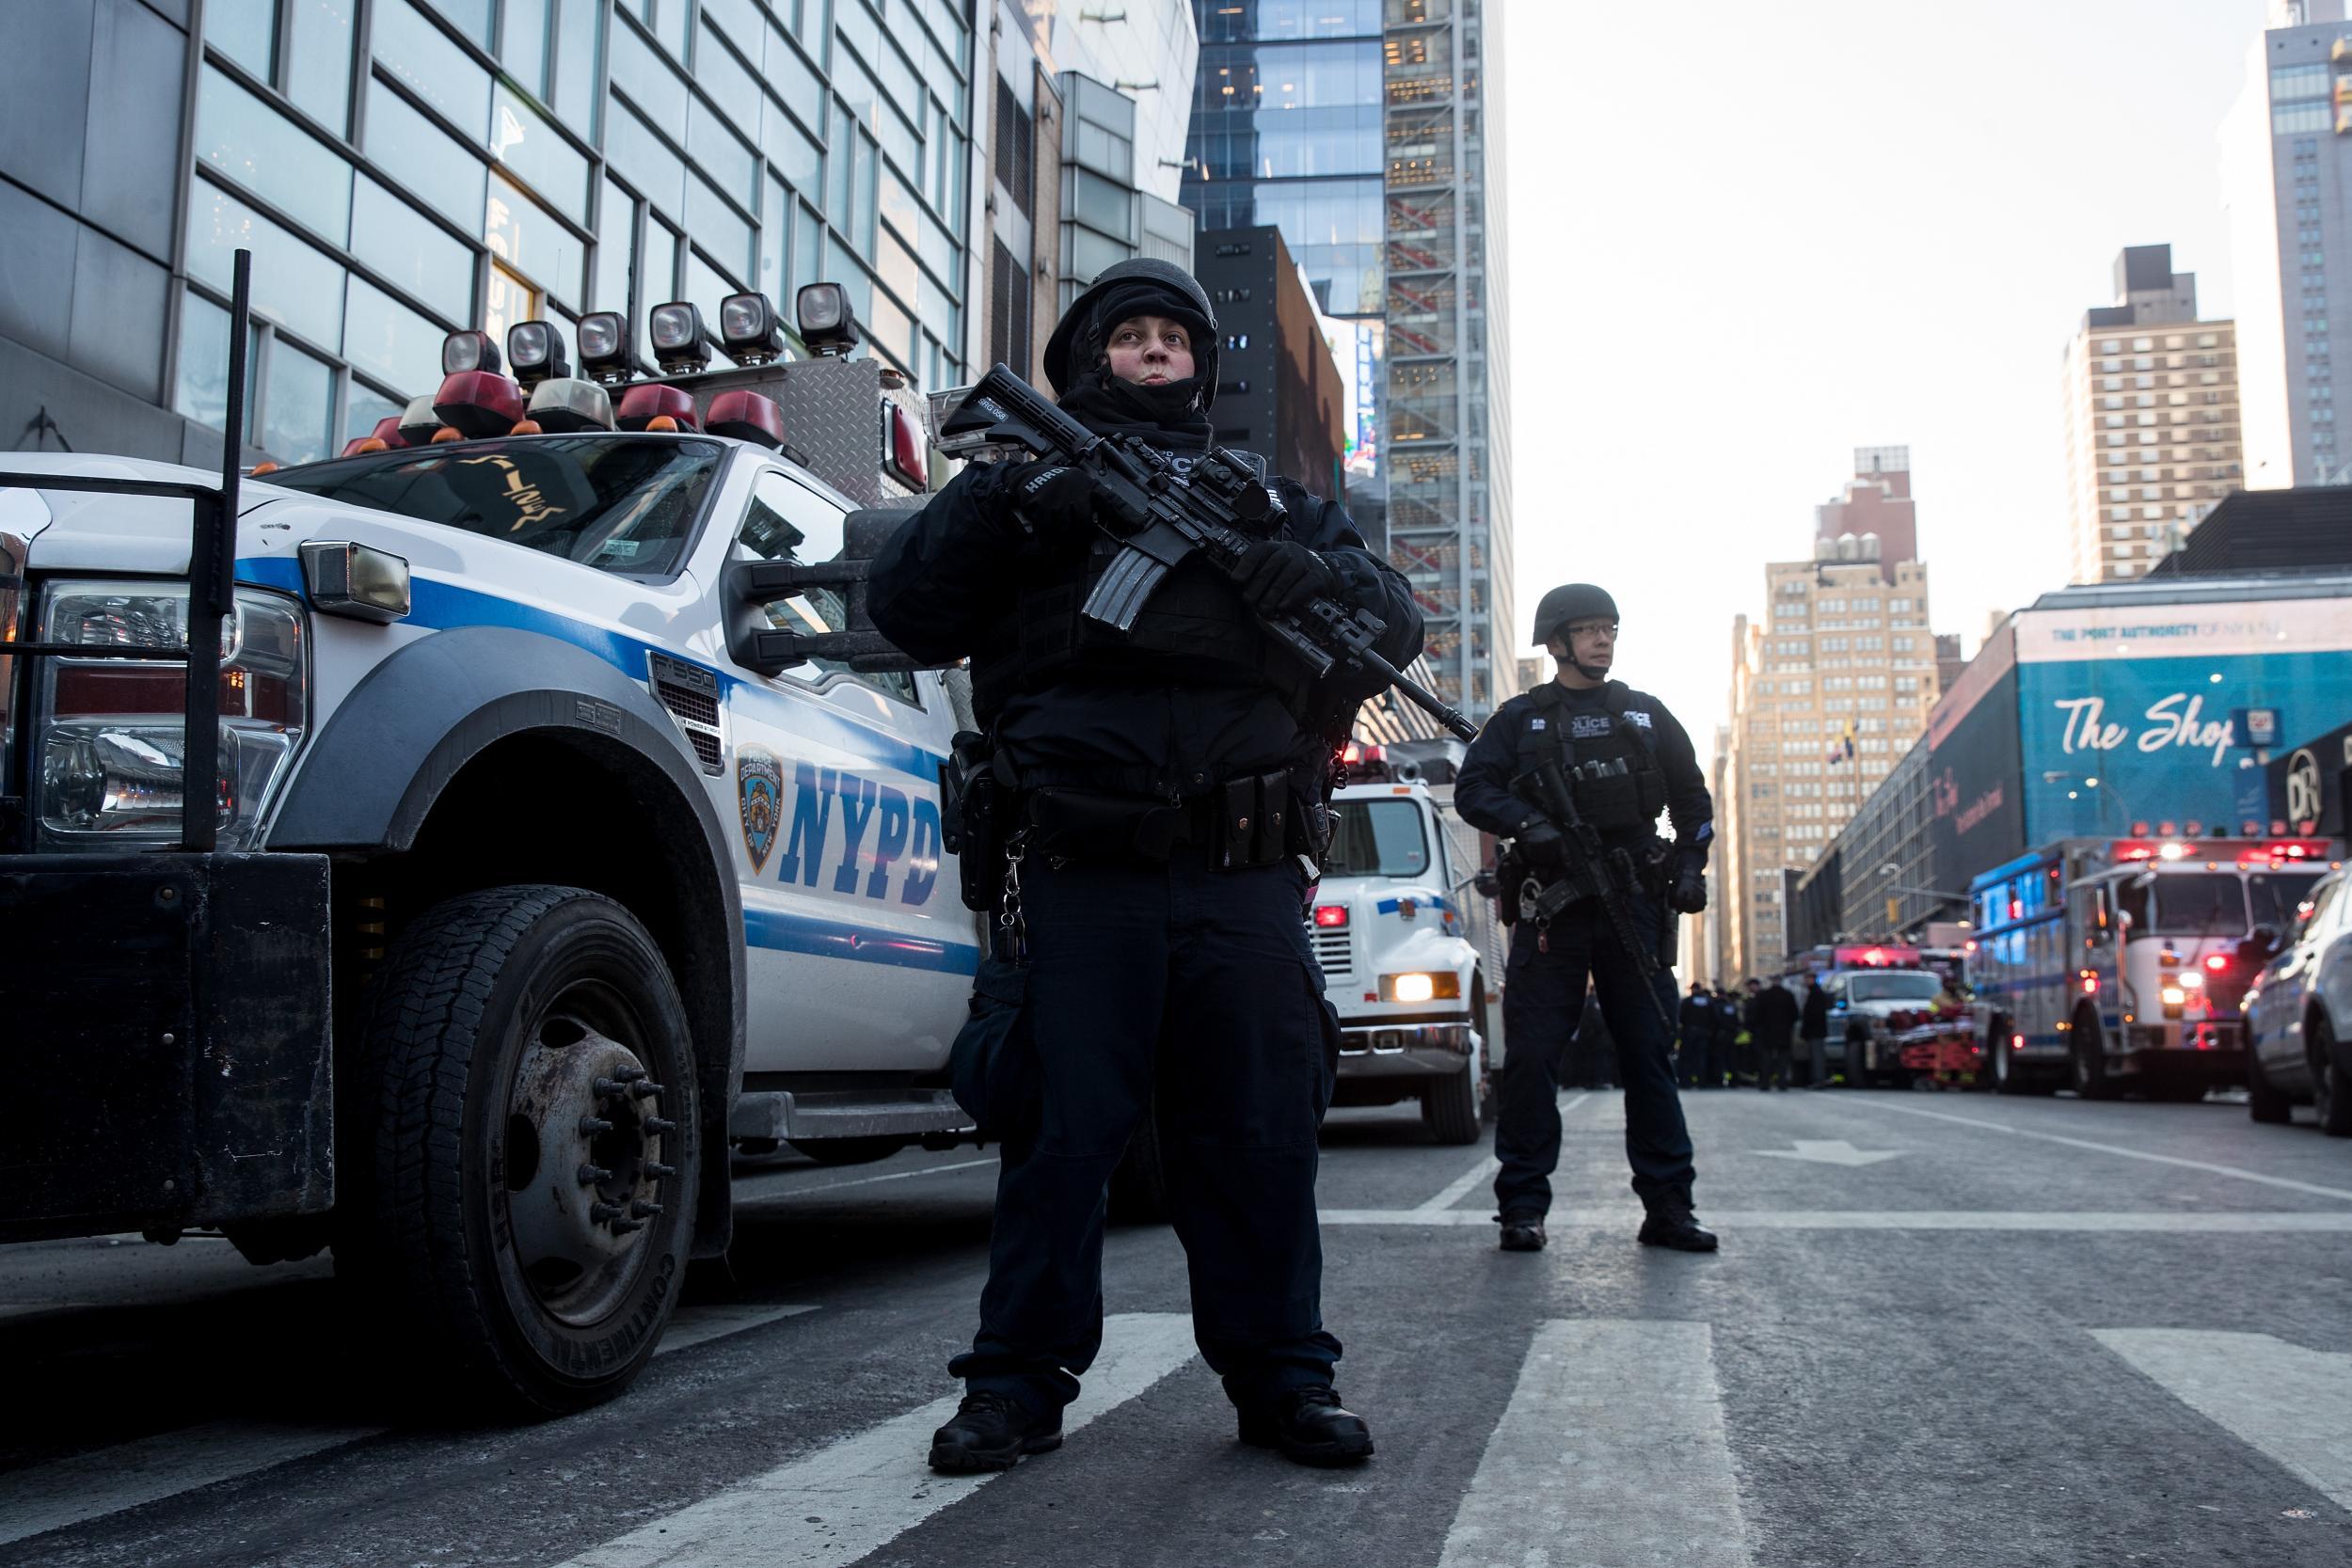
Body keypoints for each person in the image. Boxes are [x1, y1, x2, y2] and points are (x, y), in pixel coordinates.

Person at [867, 260, 1421, 1474]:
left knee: (1262, 1131)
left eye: (1176, 333)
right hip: (1081, 865)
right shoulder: (1021, 484)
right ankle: (1015, 1382)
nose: (1158, 348)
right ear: (1089, 359)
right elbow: (901, 602)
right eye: (1133, 334)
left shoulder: (1271, 502)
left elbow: (1397, 623)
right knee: (1061, 1134)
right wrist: (1011, 509)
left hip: (1244, 870)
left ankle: (1284, 1376)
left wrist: (1316, 574)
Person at [1453, 583, 1718, 1255]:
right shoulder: (1521, 719)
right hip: (1554, 907)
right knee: (1535, 1056)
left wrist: (1690, 870)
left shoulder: (1646, 716)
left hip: (1633, 899)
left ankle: (1668, 1206)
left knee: (1649, 1054)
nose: (1603, 640)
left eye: (1609, 629)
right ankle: (1522, 1207)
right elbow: (1473, 788)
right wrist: (1528, 824)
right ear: (1557, 643)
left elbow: (1694, 803)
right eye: (1590, 629)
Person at [1749, 974, 1800, 1092]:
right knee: (1783, 1059)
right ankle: (1782, 1083)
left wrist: (1760, 1027)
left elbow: (1757, 1015)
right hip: (1784, 1033)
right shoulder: (1788, 995)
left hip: (1767, 1033)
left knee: (1766, 1059)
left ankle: (1765, 1082)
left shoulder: (1765, 996)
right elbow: (1795, 1015)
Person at [1678, 979, 1719, 1089]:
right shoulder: (1709, 1001)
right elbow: (1715, 1018)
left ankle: (1686, 1082)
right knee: (1701, 1057)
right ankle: (1702, 1082)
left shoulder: (1687, 1001)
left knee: (1687, 1057)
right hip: (1704, 1033)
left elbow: (1681, 1017)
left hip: (1689, 1032)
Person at [1801, 973, 1833, 1090]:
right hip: (1815, 1031)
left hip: (1816, 1031)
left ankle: (1819, 1080)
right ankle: (1818, 1080)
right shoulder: (1814, 993)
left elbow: (1814, 1015)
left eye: (1808, 978)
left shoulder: (1816, 994)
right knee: (1816, 1057)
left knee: (1817, 1057)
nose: (1806, 981)